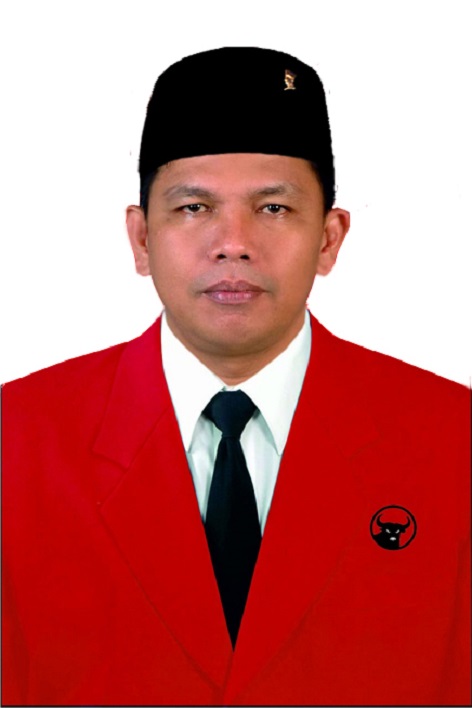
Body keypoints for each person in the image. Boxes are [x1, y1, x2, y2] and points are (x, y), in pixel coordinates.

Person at [2, 47, 470, 707]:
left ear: (330, 238)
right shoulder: (18, 441)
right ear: (141, 239)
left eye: (273, 208)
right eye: (194, 208)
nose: (233, 243)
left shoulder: (454, 441)